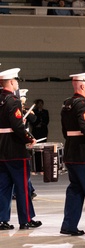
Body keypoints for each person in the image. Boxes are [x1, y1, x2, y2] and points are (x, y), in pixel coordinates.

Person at [59, 71, 85, 237]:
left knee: (75, 190)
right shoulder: (83, 104)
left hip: (71, 152)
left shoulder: (67, 104)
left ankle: (69, 225)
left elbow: (64, 130)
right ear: (83, 85)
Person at [0, 67, 41, 231]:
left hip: (1, 149)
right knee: (22, 186)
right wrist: (30, 138)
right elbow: (17, 126)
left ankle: (2, 219)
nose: (17, 83)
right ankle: (26, 219)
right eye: (16, 80)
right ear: (11, 82)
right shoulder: (13, 101)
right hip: (15, 149)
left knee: (3, 186)